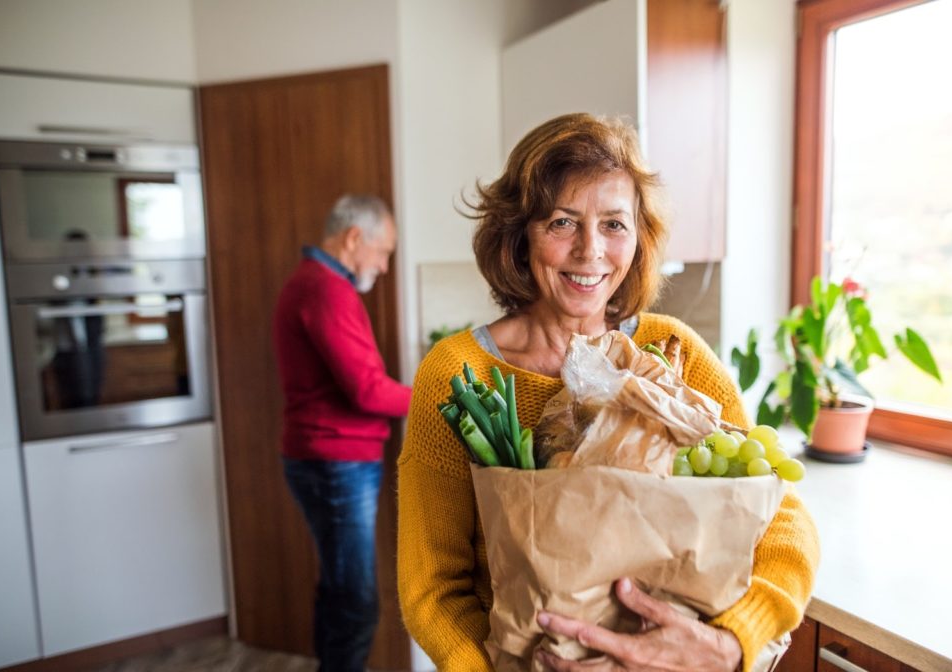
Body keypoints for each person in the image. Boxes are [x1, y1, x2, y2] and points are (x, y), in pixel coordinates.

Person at [396, 114, 819, 672]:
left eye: (614, 225)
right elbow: (432, 587)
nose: (590, 251)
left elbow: (784, 520)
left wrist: (734, 640)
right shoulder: (458, 373)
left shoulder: (676, 354)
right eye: (563, 222)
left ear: (638, 238)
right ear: (520, 235)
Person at [272, 194, 412, 672]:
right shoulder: (326, 289)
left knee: (339, 591)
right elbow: (369, 391)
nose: (385, 265)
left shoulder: (316, 284)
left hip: (328, 458)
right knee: (356, 600)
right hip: (336, 463)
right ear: (354, 238)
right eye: (384, 251)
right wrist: (436, 395)